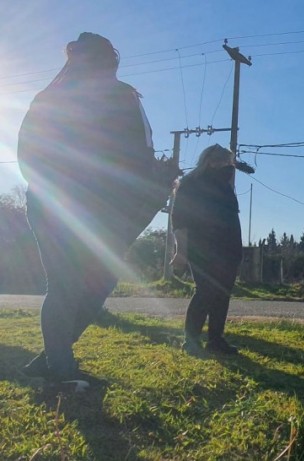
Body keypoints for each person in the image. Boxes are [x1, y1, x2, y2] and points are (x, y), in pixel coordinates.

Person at [17, 33, 177, 388]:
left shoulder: (119, 95)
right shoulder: (53, 99)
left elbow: (138, 154)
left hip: (91, 209)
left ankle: (52, 360)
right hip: (60, 206)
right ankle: (59, 369)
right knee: (66, 285)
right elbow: (29, 156)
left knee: (97, 282)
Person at [171, 144, 243, 355]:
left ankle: (216, 340)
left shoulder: (224, 186)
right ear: (211, 162)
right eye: (226, 163)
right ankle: (191, 341)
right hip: (202, 249)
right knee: (205, 292)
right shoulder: (190, 184)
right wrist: (180, 251)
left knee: (222, 294)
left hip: (229, 249)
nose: (230, 168)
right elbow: (180, 221)